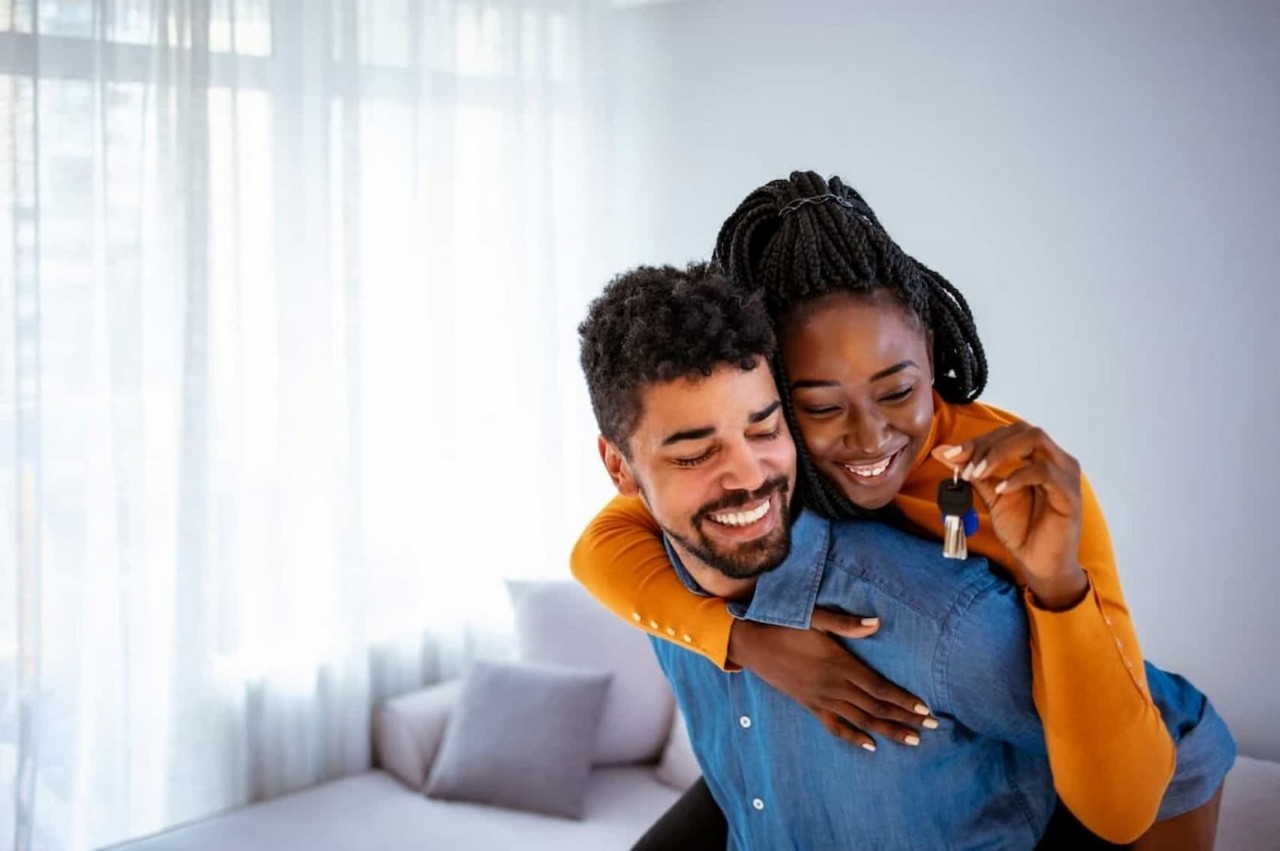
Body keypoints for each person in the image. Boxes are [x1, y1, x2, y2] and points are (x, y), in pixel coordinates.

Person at [572, 173, 1232, 846]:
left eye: (897, 392)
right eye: (821, 406)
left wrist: (1057, 582)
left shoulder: (1006, 489)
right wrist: (745, 642)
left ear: (932, 359)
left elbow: (1120, 780)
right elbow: (598, 548)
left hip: (1142, 744)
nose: (870, 436)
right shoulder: (751, 473)